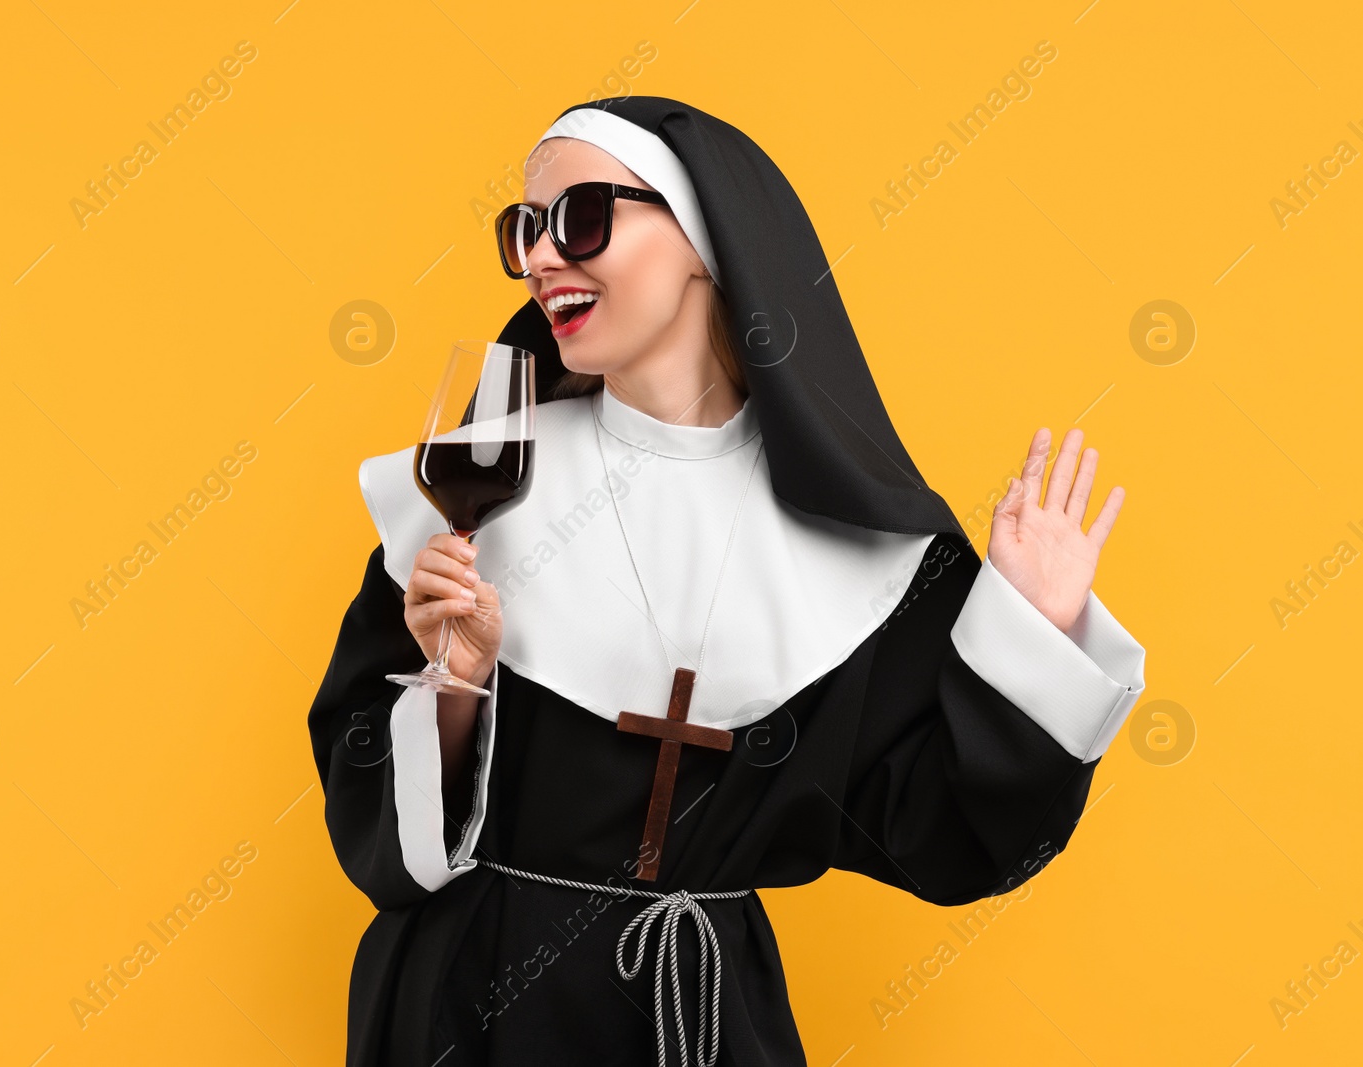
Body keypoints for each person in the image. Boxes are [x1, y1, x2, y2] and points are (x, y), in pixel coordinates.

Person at [309, 97, 1146, 1067]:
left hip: (707, 1014)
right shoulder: (470, 494)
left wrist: (1036, 632)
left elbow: (946, 836)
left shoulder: (861, 547)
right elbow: (374, 821)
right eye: (522, 229)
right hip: (472, 1006)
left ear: (706, 233)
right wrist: (456, 684)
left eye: (579, 217)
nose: (540, 256)